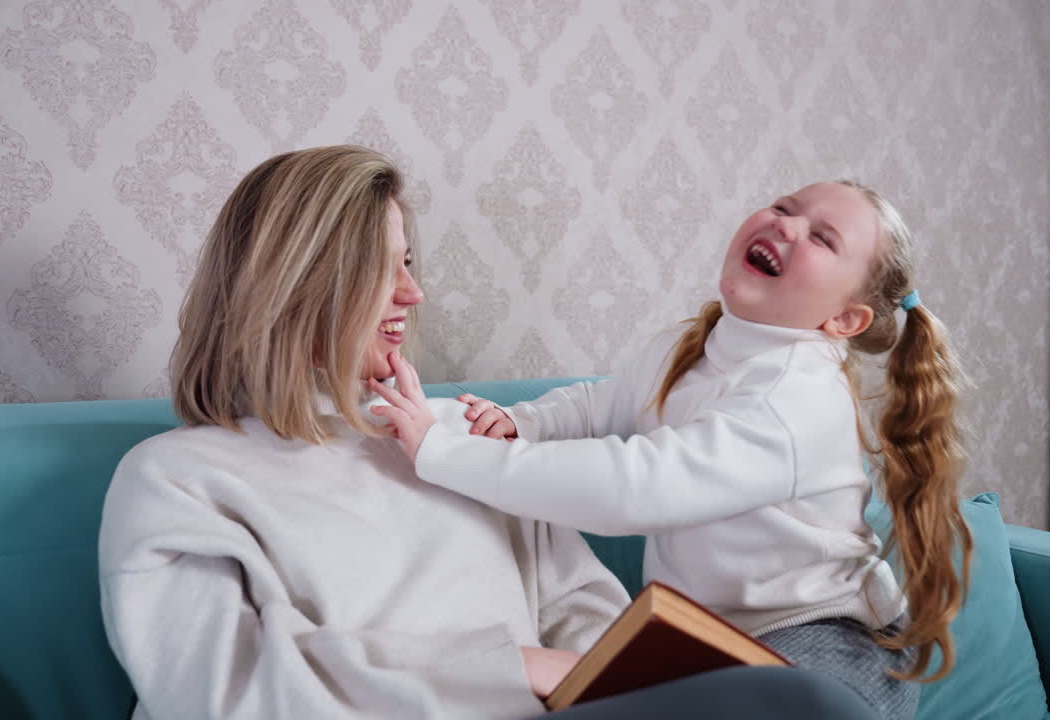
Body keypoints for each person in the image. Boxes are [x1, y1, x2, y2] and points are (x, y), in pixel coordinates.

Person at [98, 147, 879, 720]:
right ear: (293, 283)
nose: (415, 292)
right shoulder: (178, 478)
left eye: (411, 262)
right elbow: (222, 695)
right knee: (810, 706)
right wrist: (513, 668)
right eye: (383, 269)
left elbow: (585, 615)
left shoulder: (454, 447)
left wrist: (602, 675)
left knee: (802, 701)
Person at [372, 180, 971, 720]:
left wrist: (444, 454)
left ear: (845, 319)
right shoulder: (693, 345)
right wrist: (520, 423)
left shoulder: (798, 397)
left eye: (822, 237)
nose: (787, 225)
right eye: (784, 207)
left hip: (830, 644)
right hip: (714, 643)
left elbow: (633, 489)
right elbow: (599, 407)